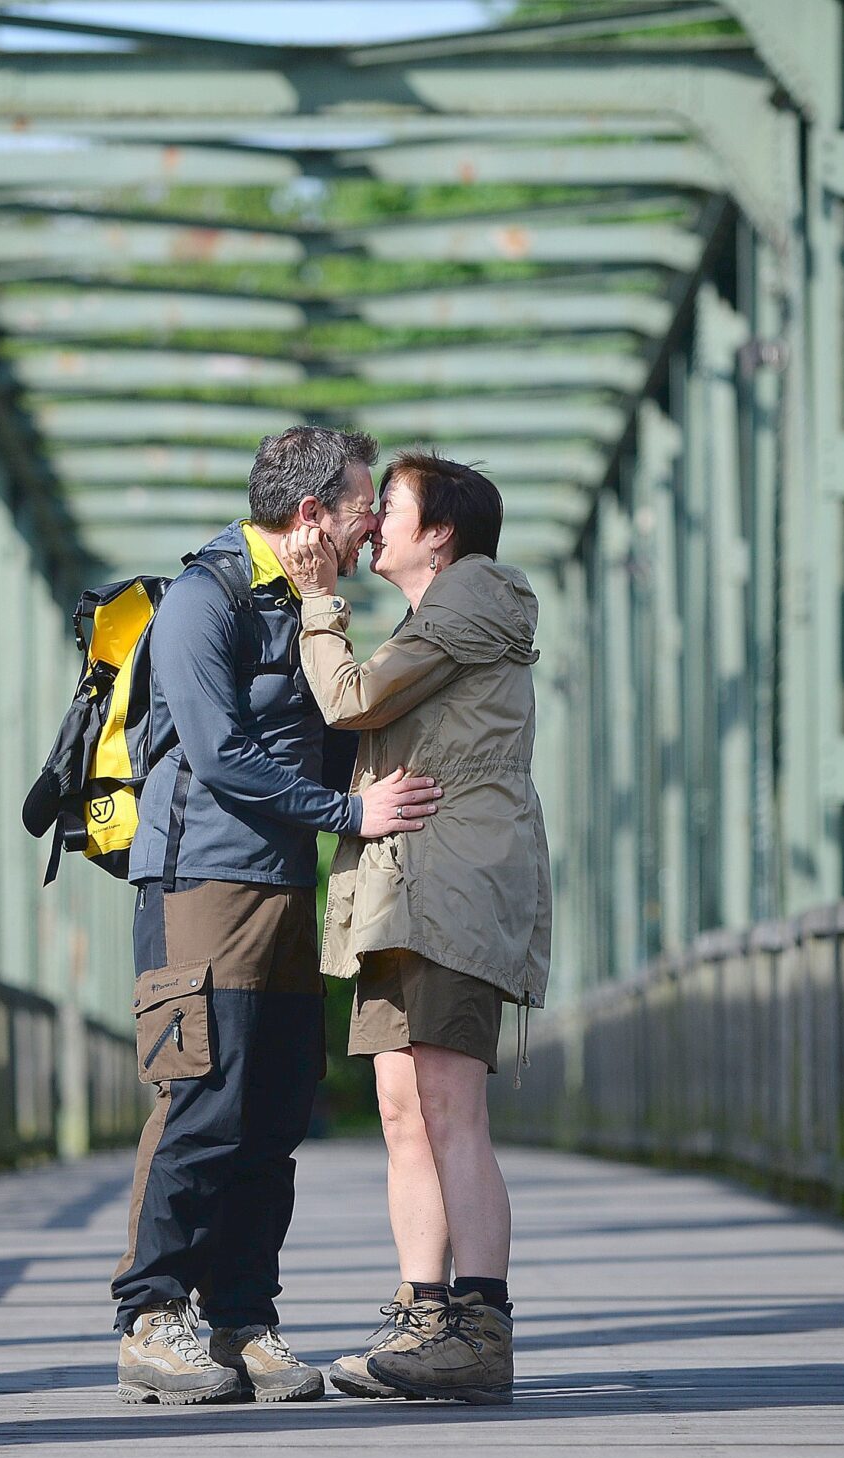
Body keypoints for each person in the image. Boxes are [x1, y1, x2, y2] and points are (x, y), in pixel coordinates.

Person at [113, 425, 445, 1406]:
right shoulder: (200, 600)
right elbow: (216, 758)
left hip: (281, 889)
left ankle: (240, 1322)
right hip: (197, 888)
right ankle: (149, 1318)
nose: (372, 524)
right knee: (198, 1104)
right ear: (312, 514)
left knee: (270, 1117)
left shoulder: (305, 602)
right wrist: (351, 814)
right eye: (361, 507)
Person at [273, 450, 550, 1406]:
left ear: (440, 532)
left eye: (388, 505)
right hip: (401, 892)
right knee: (402, 1110)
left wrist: (316, 600)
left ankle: (479, 1324)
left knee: (447, 1110)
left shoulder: (474, 599)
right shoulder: (434, 616)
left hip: (451, 890)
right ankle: (423, 1315)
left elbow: (350, 698)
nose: (369, 520)